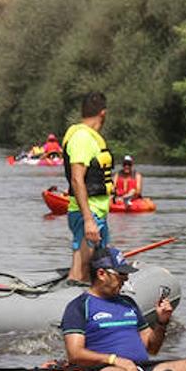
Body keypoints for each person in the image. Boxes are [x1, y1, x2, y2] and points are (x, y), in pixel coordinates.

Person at [60, 247, 186, 371]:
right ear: (101, 274)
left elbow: (152, 349)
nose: (126, 279)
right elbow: (75, 354)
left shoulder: (128, 303)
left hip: (141, 369)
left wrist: (162, 322)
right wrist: (114, 360)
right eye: (121, 275)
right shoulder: (78, 307)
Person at [63, 91, 114, 283]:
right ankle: (71, 309)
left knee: (93, 269)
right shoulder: (82, 138)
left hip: (96, 213)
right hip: (87, 213)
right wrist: (88, 220)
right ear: (103, 113)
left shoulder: (89, 138)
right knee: (81, 272)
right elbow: (77, 179)